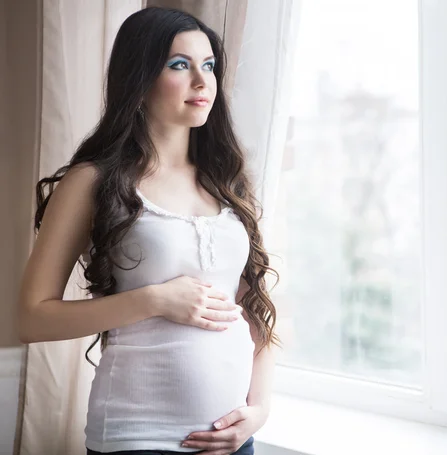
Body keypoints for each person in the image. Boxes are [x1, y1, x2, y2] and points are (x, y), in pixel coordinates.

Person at [17, 6, 280, 455]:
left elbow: (254, 305)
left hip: (232, 440)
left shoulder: (228, 182)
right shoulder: (93, 182)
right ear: (139, 81)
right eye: (180, 65)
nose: (203, 81)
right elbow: (31, 318)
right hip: (135, 437)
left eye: (209, 65)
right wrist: (153, 300)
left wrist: (259, 409)